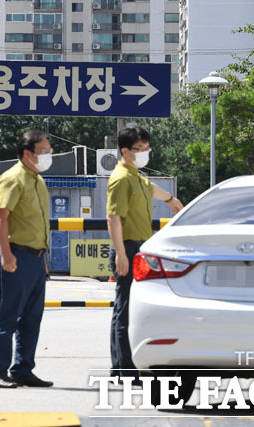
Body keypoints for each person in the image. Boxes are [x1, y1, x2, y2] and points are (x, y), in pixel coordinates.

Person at [106, 126, 183, 380]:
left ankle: (126, 366)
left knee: (131, 309)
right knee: (124, 310)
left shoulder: (136, 175)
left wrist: (171, 199)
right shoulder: (121, 178)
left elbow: (150, 188)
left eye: (147, 148)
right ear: (125, 151)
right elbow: (113, 218)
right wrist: (120, 254)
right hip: (127, 246)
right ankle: (123, 369)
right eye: (140, 149)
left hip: (138, 247)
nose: (145, 153)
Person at [0, 130, 54, 389]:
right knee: (8, 317)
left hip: (35, 259)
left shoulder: (37, 180)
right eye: (44, 151)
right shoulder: (13, 179)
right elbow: (0, 218)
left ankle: (23, 369)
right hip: (16, 255)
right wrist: (6, 256)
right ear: (28, 153)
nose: (49, 155)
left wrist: (43, 259)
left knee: (31, 318)